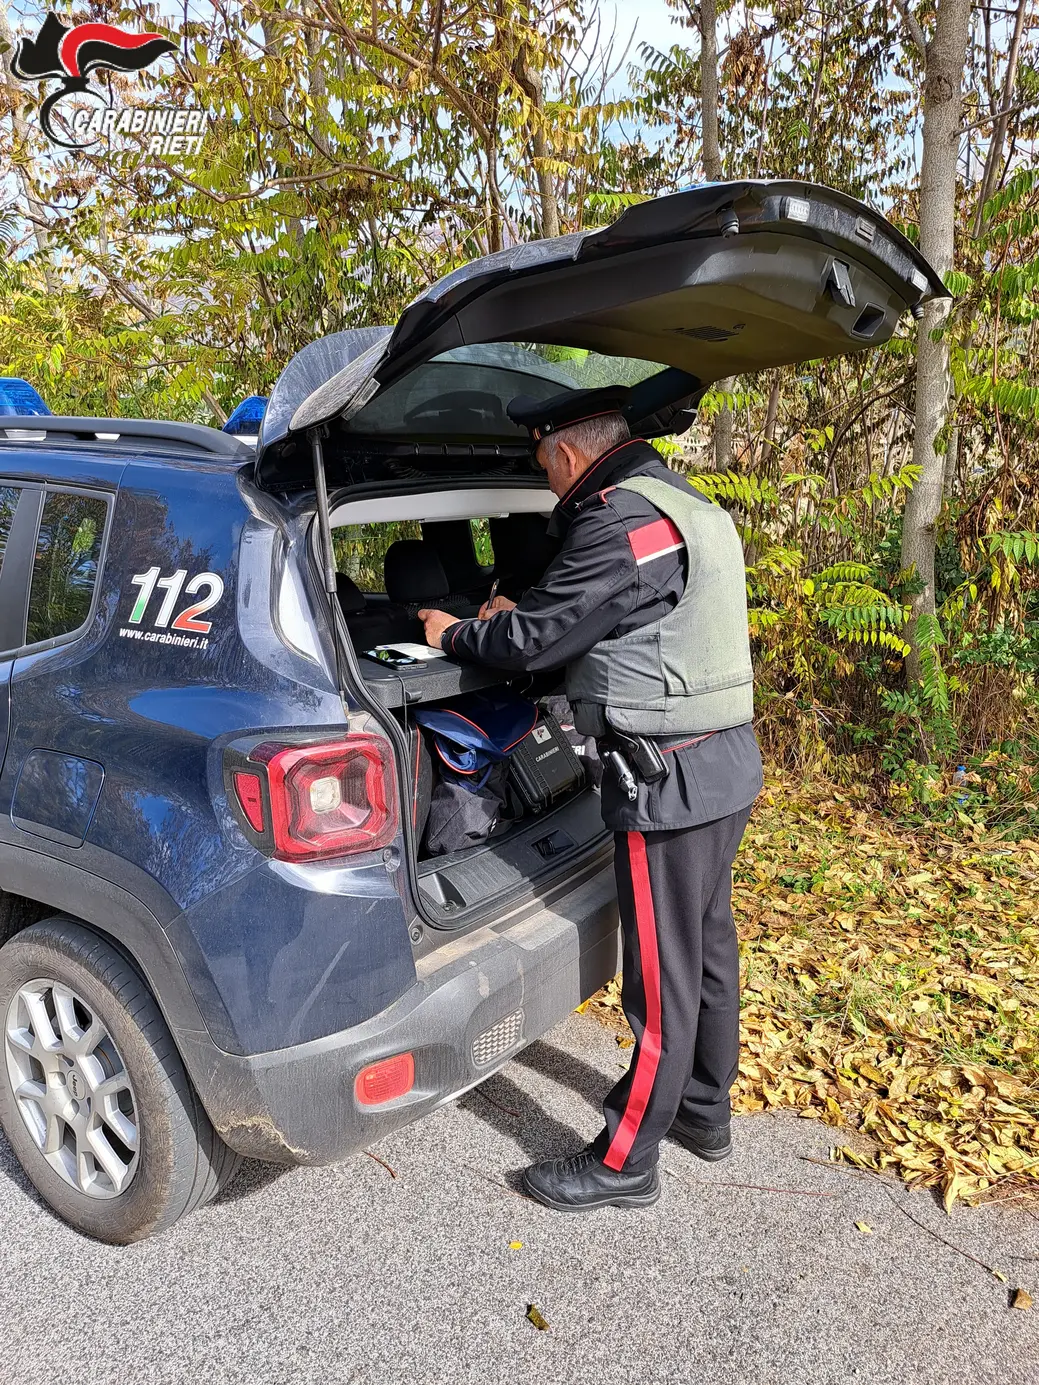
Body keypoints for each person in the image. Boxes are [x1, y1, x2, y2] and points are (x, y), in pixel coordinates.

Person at [418, 384, 762, 1214]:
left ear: (566, 452)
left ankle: (622, 1161)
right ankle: (703, 1113)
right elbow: (601, 616)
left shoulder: (615, 521)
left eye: (541, 463)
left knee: (661, 978)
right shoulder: (676, 502)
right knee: (707, 949)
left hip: (666, 779)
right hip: (720, 761)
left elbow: (535, 640)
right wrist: (523, 613)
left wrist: (451, 632)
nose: (545, 481)